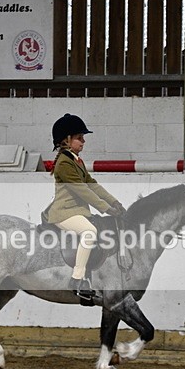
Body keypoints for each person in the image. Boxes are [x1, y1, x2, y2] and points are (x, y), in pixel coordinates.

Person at [45, 114, 126, 297]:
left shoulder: (75, 160)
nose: (83, 142)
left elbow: (92, 184)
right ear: (66, 140)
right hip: (64, 213)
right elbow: (82, 190)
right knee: (89, 233)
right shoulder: (64, 163)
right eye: (79, 138)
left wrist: (114, 201)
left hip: (77, 212)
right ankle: (77, 278)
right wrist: (106, 209)